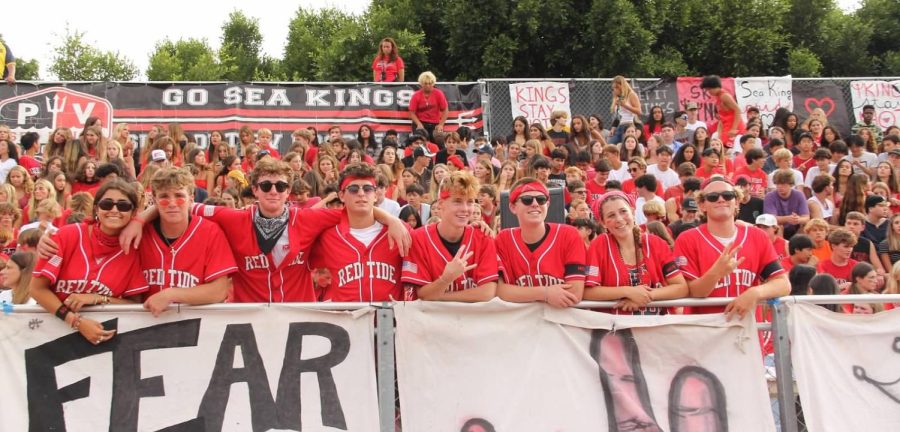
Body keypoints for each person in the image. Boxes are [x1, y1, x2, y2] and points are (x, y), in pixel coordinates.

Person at [122, 158, 410, 303]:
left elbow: (355, 207)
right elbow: (184, 205)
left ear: (289, 191)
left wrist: (393, 220)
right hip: (250, 320)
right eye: (266, 186)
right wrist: (139, 220)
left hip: (297, 317)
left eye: (281, 186)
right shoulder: (233, 218)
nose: (274, 191)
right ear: (255, 189)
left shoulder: (309, 218)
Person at [30, 180, 148, 345]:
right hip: (50, 334)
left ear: (133, 212)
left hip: (101, 340)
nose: (114, 210)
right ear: (96, 209)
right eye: (107, 204)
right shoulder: (66, 235)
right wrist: (75, 321)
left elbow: (135, 304)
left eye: (123, 206)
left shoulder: (133, 249)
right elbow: (37, 289)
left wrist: (98, 298)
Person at [673, 178, 790, 317]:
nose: (721, 199)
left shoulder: (757, 236)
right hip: (705, 329)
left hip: (747, 327)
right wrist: (717, 272)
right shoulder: (687, 239)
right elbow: (693, 292)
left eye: (728, 195)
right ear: (702, 205)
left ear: (737, 202)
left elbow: (783, 284)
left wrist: (755, 293)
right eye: (713, 197)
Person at [309, 163, 408, 302]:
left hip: (389, 321)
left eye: (368, 189)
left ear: (375, 195)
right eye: (353, 189)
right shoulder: (327, 237)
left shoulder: (399, 231)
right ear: (342, 195)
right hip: (346, 320)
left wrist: (393, 220)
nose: (361, 193)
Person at [584, 191, 688, 314]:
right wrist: (628, 292)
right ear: (603, 222)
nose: (619, 219)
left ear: (633, 212)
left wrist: (644, 296)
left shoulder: (655, 243)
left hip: (656, 327)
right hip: (617, 329)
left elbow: (681, 287)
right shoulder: (599, 245)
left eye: (623, 211)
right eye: (611, 215)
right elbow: (587, 291)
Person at [401, 170, 498, 302]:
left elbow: (487, 292)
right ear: (441, 204)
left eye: (470, 202)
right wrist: (446, 279)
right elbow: (422, 294)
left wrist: (440, 295)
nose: (465, 208)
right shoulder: (419, 238)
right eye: (457, 201)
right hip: (432, 321)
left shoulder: (483, 236)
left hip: (473, 321)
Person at [495, 178, 585, 307]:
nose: (535, 204)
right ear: (513, 207)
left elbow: (574, 293)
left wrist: (519, 294)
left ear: (547, 205)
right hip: (518, 322)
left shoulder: (569, 235)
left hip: (562, 322)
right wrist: (545, 293)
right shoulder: (503, 239)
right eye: (527, 200)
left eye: (541, 199)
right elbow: (499, 291)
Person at [763, 169, 810, 239]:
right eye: (777, 184)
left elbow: (806, 217)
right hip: (778, 229)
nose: (780, 187)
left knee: (806, 226)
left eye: (783, 184)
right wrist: (788, 218)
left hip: (796, 228)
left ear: (791, 184)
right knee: (778, 226)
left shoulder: (799, 195)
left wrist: (798, 219)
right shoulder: (770, 196)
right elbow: (771, 219)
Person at [699, 75, 744, 146]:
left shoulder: (724, 96)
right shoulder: (718, 97)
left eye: (709, 89)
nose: (708, 92)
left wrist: (733, 129)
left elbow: (737, 110)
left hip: (733, 128)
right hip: (726, 128)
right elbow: (721, 119)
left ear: (714, 86)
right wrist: (719, 134)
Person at [408, 71, 448, 142]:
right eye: (425, 83)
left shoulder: (439, 93)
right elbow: (411, 113)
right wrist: (419, 124)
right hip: (420, 122)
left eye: (430, 83)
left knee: (439, 141)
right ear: (421, 84)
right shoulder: (416, 95)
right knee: (419, 141)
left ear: (433, 83)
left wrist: (441, 124)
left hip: (435, 123)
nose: (428, 85)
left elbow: (445, 110)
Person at [609, 76, 642, 144]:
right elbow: (619, 115)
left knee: (625, 146)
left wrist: (625, 106)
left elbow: (639, 111)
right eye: (613, 88)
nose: (614, 90)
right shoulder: (618, 98)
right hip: (619, 126)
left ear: (622, 86)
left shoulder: (631, 95)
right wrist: (613, 127)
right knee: (610, 144)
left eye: (616, 87)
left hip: (628, 124)